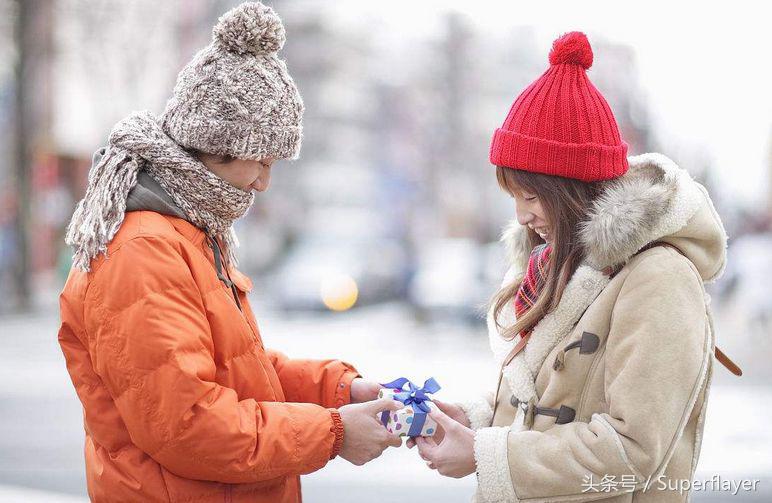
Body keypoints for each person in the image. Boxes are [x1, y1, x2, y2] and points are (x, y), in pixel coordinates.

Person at [57, 3, 401, 502]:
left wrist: (340, 392)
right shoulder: (144, 251)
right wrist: (334, 431)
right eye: (258, 161)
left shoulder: (190, 233)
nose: (263, 182)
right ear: (213, 147)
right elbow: (188, 423)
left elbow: (236, 371)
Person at [411, 31, 739, 502]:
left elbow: (633, 451)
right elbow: (548, 399)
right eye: (513, 196)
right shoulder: (557, 266)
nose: (521, 215)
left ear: (571, 188)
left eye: (531, 195)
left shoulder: (659, 277)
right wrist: (474, 420)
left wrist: (486, 454)